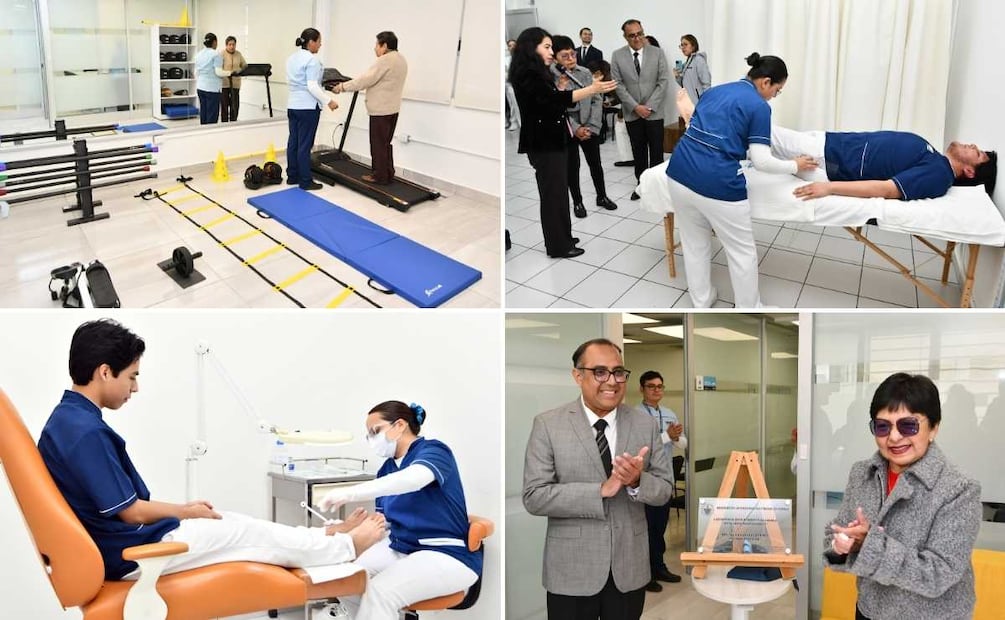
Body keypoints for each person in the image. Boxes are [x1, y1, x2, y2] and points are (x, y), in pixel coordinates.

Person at [37, 319, 387, 582]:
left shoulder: (69, 420)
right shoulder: (84, 432)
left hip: (128, 544)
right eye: (131, 376)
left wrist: (186, 511)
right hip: (132, 553)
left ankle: (324, 534)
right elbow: (130, 512)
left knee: (238, 523)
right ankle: (345, 548)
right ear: (104, 372)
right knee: (246, 535)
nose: (136, 387)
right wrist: (185, 512)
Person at [523, 338, 674, 620]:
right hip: (571, 570)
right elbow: (535, 496)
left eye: (618, 372)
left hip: (628, 567)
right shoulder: (548, 424)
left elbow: (665, 489)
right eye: (600, 372)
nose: (612, 381)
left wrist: (637, 481)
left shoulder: (644, 424)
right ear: (577, 376)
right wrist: (600, 491)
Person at [824, 373, 981, 620]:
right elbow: (837, 535)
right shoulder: (862, 473)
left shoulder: (959, 489)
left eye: (908, 425)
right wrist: (840, 545)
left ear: (934, 428)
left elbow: (937, 574)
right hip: (869, 610)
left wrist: (869, 544)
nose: (894, 437)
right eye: (882, 426)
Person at [665, 53, 818, 308]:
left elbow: (700, 128)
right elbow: (762, 161)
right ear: (765, 82)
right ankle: (749, 308)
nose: (774, 96)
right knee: (741, 252)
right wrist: (796, 165)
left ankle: (702, 301)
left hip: (679, 173)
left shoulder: (715, 91)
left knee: (694, 244)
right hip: (716, 184)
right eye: (777, 91)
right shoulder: (759, 107)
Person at [318, 401, 481, 619]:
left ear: (400, 425)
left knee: (380, 593)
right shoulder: (386, 469)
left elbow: (414, 479)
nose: (372, 440)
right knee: (345, 580)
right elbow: (385, 521)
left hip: (446, 554)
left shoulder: (434, 450)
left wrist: (351, 492)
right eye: (368, 435)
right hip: (401, 548)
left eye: (375, 431)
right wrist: (347, 528)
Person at [509, 27, 616, 259]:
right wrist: (591, 89)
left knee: (558, 191)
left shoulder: (540, 72)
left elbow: (550, 101)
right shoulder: (527, 73)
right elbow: (552, 101)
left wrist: (559, 88)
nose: (551, 52)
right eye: (546, 47)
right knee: (553, 195)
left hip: (554, 139)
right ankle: (558, 246)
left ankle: (563, 236)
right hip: (544, 143)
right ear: (531, 47)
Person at [768, 125, 998, 201]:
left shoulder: (939, 175)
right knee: (755, 139)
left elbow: (888, 189)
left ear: (969, 171)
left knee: (757, 128)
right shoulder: (936, 159)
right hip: (829, 145)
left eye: (977, 154)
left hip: (827, 160)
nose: (972, 146)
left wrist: (828, 188)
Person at [551, 35, 618, 218]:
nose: (571, 59)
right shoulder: (552, 77)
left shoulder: (585, 72)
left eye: (573, 54)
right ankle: (578, 202)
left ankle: (602, 196)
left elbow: (597, 99)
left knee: (595, 164)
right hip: (569, 129)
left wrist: (591, 126)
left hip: (590, 126)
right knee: (573, 167)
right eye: (565, 56)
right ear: (555, 57)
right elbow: (557, 107)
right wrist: (576, 128)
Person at [635, 370, 687, 592]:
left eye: (660, 386)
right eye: (651, 386)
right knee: (645, 529)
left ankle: (659, 567)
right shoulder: (635, 415)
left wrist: (676, 438)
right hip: (646, 481)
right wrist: (667, 436)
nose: (657, 390)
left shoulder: (669, 413)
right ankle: (644, 574)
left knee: (659, 528)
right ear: (642, 389)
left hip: (665, 480)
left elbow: (683, 444)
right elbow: (642, 448)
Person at [333, 31, 408, 186]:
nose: (375, 49)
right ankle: (388, 173)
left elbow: (364, 80)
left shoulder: (384, 60)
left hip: (380, 110)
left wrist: (341, 87)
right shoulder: (401, 59)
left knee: (378, 144)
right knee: (385, 143)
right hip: (393, 109)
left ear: (384, 46)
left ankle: (379, 176)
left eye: (376, 45)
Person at [611, 19, 671, 200]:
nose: (637, 38)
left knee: (656, 151)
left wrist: (649, 106)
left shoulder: (657, 53)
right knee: (638, 151)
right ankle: (642, 185)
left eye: (640, 33)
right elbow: (618, 84)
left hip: (654, 112)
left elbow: (663, 81)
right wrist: (636, 107)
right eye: (632, 35)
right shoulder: (617, 55)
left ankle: (658, 187)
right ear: (625, 37)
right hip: (632, 112)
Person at [285, 27, 338, 191]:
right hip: (307, 107)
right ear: (311, 42)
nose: (320, 45)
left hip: (293, 105)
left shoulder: (291, 58)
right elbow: (312, 86)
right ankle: (305, 181)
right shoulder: (312, 60)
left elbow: (294, 82)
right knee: (305, 145)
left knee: (293, 142)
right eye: (319, 41)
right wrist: (329, 100)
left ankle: (292, 176)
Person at [194, 33, 234, 125]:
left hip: (200, 88)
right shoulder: (216, 54)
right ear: (215, 42)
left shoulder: (198, 54)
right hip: (212, 90)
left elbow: (196, 72)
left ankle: (203, 134)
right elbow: (218, 72)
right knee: (212, 116)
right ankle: (210, 136)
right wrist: (230, 72)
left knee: (203, 113)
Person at [674, 34, 711, 105]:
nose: (683, 47)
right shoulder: (687, 63)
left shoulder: (699, 60)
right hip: (689, 104)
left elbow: (706, 83)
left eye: (685, 44)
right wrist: (677, 76)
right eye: (681, 45)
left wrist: (705, 103)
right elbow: (684, 85)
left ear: (693, 46)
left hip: (698, 104)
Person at [220, 36, 248, 123]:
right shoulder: (222, 54)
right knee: (224, 105)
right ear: (226, 45)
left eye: (233, 44)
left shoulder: (238, 54)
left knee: (234, 105)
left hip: (235, 84)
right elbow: (219, 68)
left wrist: (239, 70)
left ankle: (233, 122)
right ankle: (224, 123)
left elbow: (244, 65)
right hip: (224, 84)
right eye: (230, 44)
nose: (232, 46)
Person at [505, 39, 520, 131]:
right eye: (510, 45)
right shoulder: (506, 60)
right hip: (511, 85)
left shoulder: (521, 59)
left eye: (514, 45)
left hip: (521, 85)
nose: (512, 47)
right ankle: (515, 122)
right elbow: (505, 75)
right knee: (513, 106)